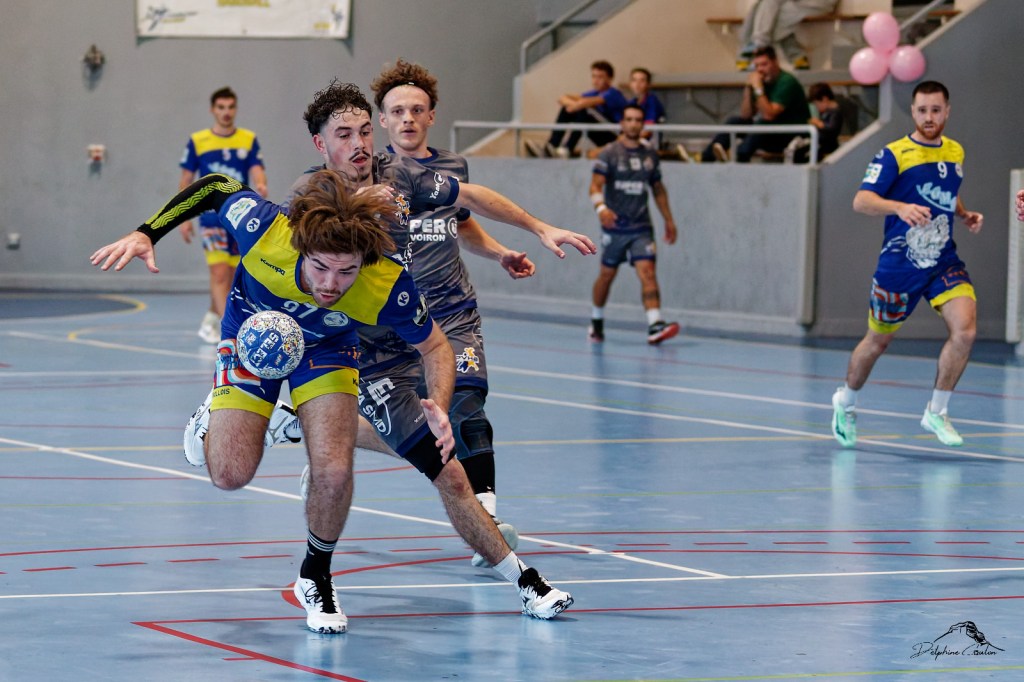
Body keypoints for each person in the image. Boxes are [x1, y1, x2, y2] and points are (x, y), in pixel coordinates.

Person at [90, 169, 575, 635]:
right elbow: (215, 186)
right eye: (320, 267)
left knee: (335, 472)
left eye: (346, 272)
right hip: (254, 332)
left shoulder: (386, 284)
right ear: (302, 248)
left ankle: (315, 576)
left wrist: (439, 407)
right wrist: (147, 232)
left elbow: (436, 347)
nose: (330, 283)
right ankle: (215, 417)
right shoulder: (266, 228)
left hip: (327, 350)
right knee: (229, 475)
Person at [363, 60, 537, 568]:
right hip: (396, 320)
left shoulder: (453, 167)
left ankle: (488, 520)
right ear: (383, 120)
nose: (408, 118)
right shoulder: (371, 172)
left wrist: (501, 252)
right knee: (406, 424)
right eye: (398, 111)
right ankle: (323, 432)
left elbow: (462, 224)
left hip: (453, 311)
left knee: (467, 408)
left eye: (417, 110)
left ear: (432, 116)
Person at [830, 81, 984, 449]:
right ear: (913, 112)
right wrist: (898, 207)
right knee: (877, 342)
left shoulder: (955, 151)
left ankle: (937, 411)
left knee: (965, 331)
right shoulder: (894, 154)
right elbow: (861, 200)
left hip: (942, 260)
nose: (929, 117)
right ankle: (845, 402)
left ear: (947, 111)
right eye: (922, 110)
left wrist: (963, 213)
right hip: (900, 266)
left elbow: (947, 192)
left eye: (936, 110)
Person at [178, 87, 268, 344]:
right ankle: (231, 335)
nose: (226, 112)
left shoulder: (248, 139)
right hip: (210, 217)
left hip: (239, 217)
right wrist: (183, 218)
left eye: (230, 107)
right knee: (219, 274)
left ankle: (210, 316)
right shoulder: (198, 141)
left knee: (230, 276)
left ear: (235, 109)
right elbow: (186, 180)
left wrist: (261, 185)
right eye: (221, 107)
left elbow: (257, 169)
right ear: (212, 110)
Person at [588, 104, 680, 345]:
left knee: (647, 272)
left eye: (638, 120)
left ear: (642, 124)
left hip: (641, 227)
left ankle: (654, 324)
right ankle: (596, 320)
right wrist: (601, 208)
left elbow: (657, 189)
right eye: (629, 119)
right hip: (615, 227)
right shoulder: (609, 153)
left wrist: (668, 219)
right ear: (622, 123)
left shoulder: (649, 154)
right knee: (607, 275)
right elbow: (595, 186)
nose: (633, 124)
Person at [701, 46, 809, 163]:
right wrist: (748, 88)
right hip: (770, 132)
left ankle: (740, 158)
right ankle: (707, 158)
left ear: (775, 62)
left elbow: (769, 115)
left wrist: (758, 88)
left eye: (764, 64)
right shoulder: (762, 83)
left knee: (762, 125)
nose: (760, 69)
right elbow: (746, 115)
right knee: (735, 121)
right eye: (757, 66)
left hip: (791, 134)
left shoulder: (787, 82)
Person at [524, 60, 629, 159]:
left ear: (610, 79)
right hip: (599, 132)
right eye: (593, 76)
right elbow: (562, 98)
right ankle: (552, 145)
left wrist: (576, 106)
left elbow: (586, 103)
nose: (596, 80)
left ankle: (567, 149)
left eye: (600, 77)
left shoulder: (613, 93)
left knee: (584, 111)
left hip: (613, 135)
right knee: (568, 109)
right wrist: (573, 106)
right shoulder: (593, 93)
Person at [735, 0, 840, 71]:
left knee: (771, 13)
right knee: (763, 8)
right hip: (804, 3)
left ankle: (757, 47)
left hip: (817, 3)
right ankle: (797, 57)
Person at [791, 81, 844, 163]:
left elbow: (832, 128)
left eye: (817, 104)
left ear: (825, 99)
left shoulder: (835, 113)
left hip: (827, 144)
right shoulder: (826, 112)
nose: (816, 107)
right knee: (798, 152)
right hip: (820, 141)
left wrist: (818, 123)